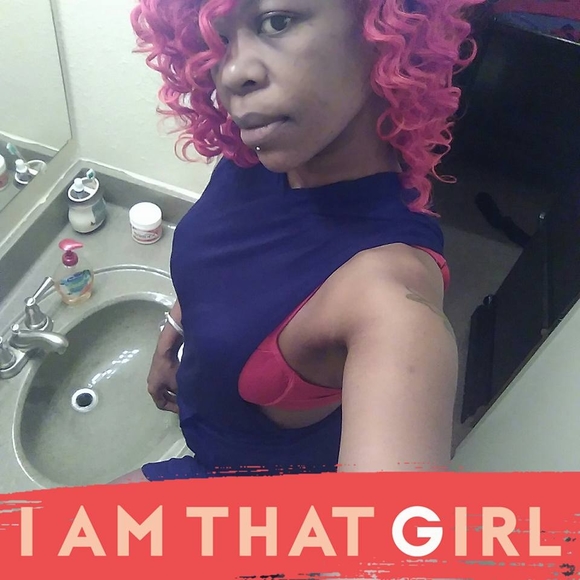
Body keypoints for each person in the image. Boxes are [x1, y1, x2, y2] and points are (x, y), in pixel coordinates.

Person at [111, 0, 483, 484]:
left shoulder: (391, 297)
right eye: (219, 38)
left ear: (384, 28)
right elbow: (227, 267)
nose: (232, 72)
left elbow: (386, 525)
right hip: (209, 423)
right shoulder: (260, 156)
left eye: (276, 21)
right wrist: (176, 330)